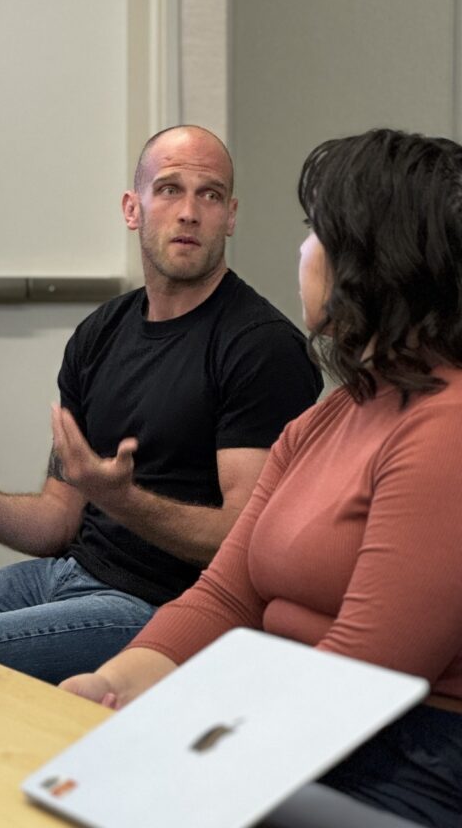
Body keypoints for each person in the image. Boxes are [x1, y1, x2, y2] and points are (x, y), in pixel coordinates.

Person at [61, 128, 462, 827]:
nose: (302, 251)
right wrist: (110, 683)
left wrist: (188, 745)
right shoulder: (329, 417)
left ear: (370, 261)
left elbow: (360, 678)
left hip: (405, 766)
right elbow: (226, 594)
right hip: (298, 732)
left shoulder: (445, 428)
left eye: (316, 233)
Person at [0, 125, 322, 684]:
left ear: (230, 216)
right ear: (133, 208)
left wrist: (122, 499)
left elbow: (241, 542)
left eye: (209, 195)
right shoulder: (101, 333)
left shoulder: (261, 347)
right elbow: (57, 522)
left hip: (152, 610)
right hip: (59, 578)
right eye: (169, 189)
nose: (188, 212)